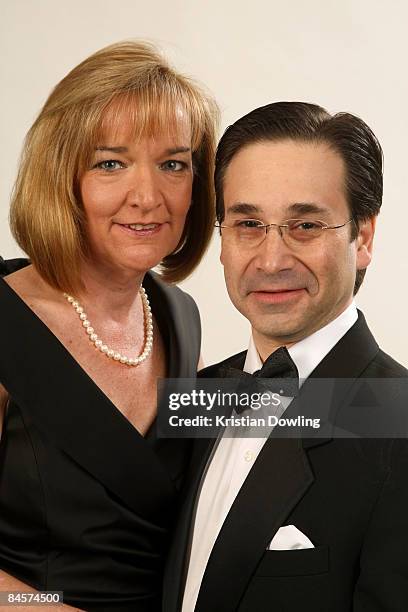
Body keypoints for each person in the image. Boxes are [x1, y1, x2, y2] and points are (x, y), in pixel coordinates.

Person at [163, 102, 408, 612]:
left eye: (305, 226)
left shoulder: (400, 422)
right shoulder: (195, 393)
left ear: (362, 238)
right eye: (248, 223)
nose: (271, 260)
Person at [0, 41, 218, 611]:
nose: (147, 197)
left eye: (173, 164)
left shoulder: (182, 318)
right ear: (61, 176)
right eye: (110, 163)